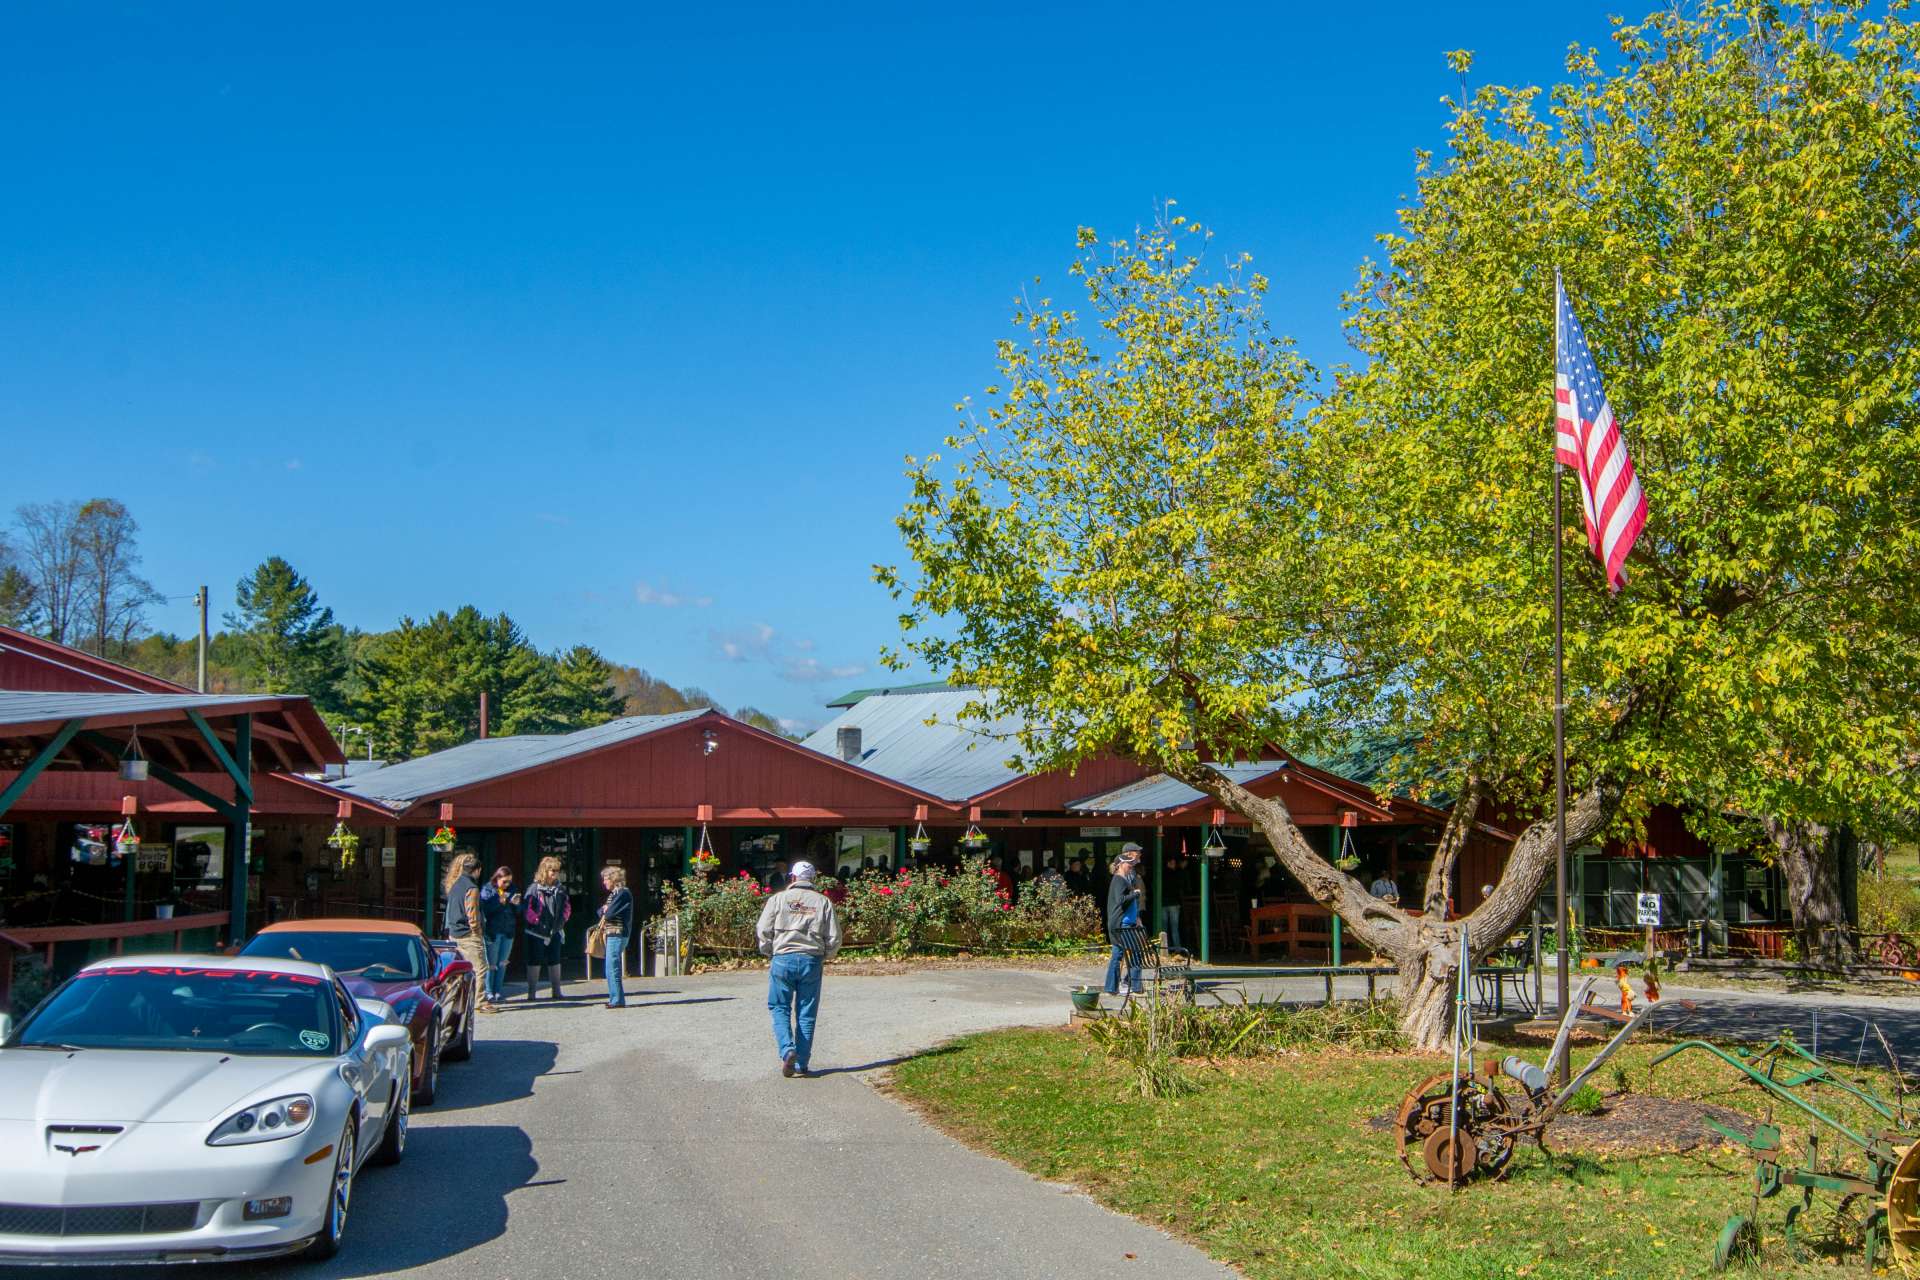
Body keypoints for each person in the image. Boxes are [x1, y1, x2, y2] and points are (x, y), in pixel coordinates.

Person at [756, 860, 841, 1078]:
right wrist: (825, 955)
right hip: (811, 959)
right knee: (807, 1012)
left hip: (783, 957)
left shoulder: (777, 899)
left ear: (792, 878)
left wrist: (769, 950)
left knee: (779, 1007)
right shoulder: (823, 902)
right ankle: (802, 1061)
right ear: (812, 879)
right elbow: (834, 937)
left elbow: (763, 929)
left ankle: (787, 1050)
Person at [442, 852, 496, 1013]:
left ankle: (458, 999)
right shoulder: (472, 888)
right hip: (468, 933)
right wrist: (477, 931)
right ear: (477, 870)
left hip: (454, 931)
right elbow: (471, 912)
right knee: (480, 967)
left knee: (459, 968)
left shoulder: (455, 884)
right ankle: (480, 1001)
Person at [523, 855, 572, 1001]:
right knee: (535, 960)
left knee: (555, 959)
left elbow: (567, 907)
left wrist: (563, 920)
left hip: (555, 930)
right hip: (536, 932)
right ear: (544, 870)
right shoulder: (534, 888)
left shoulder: (560, 889)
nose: (555, 873)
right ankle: (531, 993)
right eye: (552, 870)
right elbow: (527, 908)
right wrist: (537, 921)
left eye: (557, 870)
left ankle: (556, 991)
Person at [1104, 846, 1146, 999]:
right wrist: (1134, 894)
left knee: (1118, 955)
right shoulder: (1119, 880)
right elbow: (1120, 901)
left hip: (1127, 923)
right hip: (1123, 925)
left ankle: (1112, 987)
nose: (1130, 867)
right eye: (1128, 865)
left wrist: (1137, 917)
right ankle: (1134, 986)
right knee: (1135, 954)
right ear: (1120, 865)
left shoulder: (1123, 879)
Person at [479, 865, 522, 1004]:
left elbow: (519, 910)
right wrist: (500, 903)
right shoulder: (487, 890)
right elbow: (486, 910)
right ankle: (489, 992)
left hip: (508, 930)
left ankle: (498, 991)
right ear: (497, 878)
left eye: (509, 881)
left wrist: (516, 904)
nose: (507, 884)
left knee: (502, 963)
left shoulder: (512, 889)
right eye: (504, 881)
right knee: (491, 963)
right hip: (493, 931)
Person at [597, 865, 634, 1009]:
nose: (604, 882)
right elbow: (600, 911)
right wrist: (604, 910)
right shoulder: (614, 894)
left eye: (606, 879)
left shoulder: (623, 893)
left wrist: (605, 910)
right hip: (611, 933)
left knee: (613, 967)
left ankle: (617, 999)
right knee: (609, 968)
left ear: (613, 879)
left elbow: (609, 913)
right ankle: (614, 997)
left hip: (618, 934)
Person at [1160, 850, 1186, 954]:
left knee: (1164, 928)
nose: (1175, 865)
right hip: (1174, 903)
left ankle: (1165, 950)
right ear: (1169, 863)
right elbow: (1180, 888)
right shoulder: (1176, 875)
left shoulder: (1161, 874)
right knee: (1174, 928)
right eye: (1173, 863)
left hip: (1163, 903)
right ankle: (1177, 950)